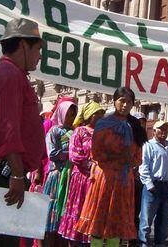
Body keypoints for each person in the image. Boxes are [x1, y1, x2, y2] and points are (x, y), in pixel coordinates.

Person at [0, 18, 45, 246]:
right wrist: (16, 174)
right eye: (38, 49)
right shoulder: (9, 74)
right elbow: (7, 128)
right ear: (24, 45)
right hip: (2, 173)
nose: (40, 56)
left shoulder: (10, 73)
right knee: (0, 242)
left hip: (3, 171)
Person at [75, 87, 147, 247]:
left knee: (116, 223)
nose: (125, 105)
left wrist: (128, 161)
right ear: (114, 101)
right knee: (99, 221)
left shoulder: (135, 127)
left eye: (129, 102)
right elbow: (96, 153)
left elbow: (138, 158)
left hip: (123, 180)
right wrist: (117, 157)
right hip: (104, 178)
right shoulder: (103, 124)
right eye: (122, 101)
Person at [58, 101, 105, 246]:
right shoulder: (79, 131)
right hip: (82, 179)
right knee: (78, 212)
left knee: (92, 214)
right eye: (98, 114)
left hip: (97, 180)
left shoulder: (103, 133)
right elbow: (74, 155)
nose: (101, 117)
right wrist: (93, 164)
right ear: (90, 115)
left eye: (102, 114)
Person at [138, 120, 168, 247]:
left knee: (163, 221)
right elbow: (143, 167)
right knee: (146, 220)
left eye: (166, 130)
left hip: (166, 187)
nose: (164, 132)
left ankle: (160, 244)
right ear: (154, 131)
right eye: (161, 129)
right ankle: (143, 244)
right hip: (153, 186)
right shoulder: (149, 145)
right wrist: (149, 185)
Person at [43, 101, 77, 245]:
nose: (70, 118)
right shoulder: (54, 131)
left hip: (71, 176)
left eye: (72, 115)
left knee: (66, 214)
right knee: (52, 213)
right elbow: (52, 153)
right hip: (57, 175)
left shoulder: (76, 131)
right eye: (67, 114)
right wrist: (72, 154)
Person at [129, 112, 147, 247]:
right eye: (139, 121)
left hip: (137, 180)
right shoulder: (126, 135)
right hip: (124, 178)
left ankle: (131, 238)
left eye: (143, 122)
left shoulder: (142, 139)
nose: (141, 124)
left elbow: (139, 159)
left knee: (136, 210)